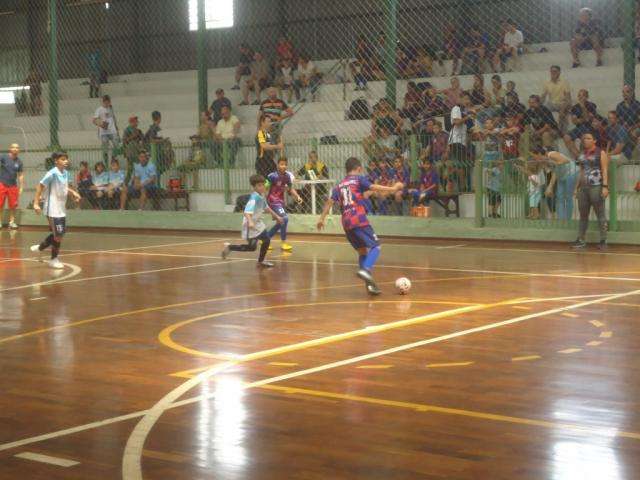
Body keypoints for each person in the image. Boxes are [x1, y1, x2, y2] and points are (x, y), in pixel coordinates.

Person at [316, 157, 404, 295]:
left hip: (346, 222)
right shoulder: (358, 179)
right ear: (358, 168)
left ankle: (370, 286)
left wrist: (322, 219)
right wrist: (393, 188)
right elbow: (374, 187)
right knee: (376, 246)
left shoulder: (339, 185)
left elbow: (329, 202)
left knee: (362, 251)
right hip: (358, 219)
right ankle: (365, 269)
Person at [30, 152, 81, 269]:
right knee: (58, 235)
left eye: (66, 159)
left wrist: (73, 193)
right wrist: (36, 203)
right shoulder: (51, 173)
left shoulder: (66, 173)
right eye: (63, 159)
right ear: (56, 161)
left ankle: (40, 248)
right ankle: (53, 259)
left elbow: (64, 187)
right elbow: (40, 186)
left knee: (58, 234)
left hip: (61, 208)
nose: (66, 161)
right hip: (52, 208)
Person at [221, 174, 284, 268]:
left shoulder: (261, 196)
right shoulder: (253, 198)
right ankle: (230, 247)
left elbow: (266, 208)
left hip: (258, 223)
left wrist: (277, 216)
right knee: (252, 247)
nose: (262, 187)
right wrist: (250, 221)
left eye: (263, 184)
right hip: (250, 225)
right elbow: (246, 212)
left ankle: (261, 261)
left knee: (266, 240)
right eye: (259, 185)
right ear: (254, 187)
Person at [572, 132, 609, 250]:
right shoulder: (582, 154)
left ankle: (603, 240)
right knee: (583, 214)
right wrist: (576, 188)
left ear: (594, 141)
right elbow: (581, 171)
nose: (586, 140)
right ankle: (581, 239)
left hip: (596, 187)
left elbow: (604, 170)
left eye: (589, 138)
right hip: (583, 188)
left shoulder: (600, 152)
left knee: (600, 214)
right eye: (584, 139)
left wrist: (605, 186)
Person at [266, 157, 302, 251]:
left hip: (281, 202)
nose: (283, 166)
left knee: (281, 221)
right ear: (277, 165)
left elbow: (290, 189)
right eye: (281, 164)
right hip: (273, 201)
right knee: (284, 218)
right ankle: (283, 243)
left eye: (285, 164)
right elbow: (265, 189)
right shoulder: (272, 176)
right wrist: (264, 203)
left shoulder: (287, 176)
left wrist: (297, 197)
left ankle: (266, 238)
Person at [540, 149, 579, 222]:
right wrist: (550, 187)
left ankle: (567, 220)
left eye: (536, 156)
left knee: (568, 197)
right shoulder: (546, 161)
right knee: (559, 196)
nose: (537, 159)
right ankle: (561, 219)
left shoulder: (551, 154)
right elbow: (555, 173)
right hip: (562, 175)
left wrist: (555, 163)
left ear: (540, 154)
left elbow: (565, 161)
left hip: (571, 173)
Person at [563, 89, 598, 157]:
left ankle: (583, 157)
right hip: (579, 127)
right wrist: (583, 119)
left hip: (589, 127)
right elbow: (574, 122)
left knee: (584, 139)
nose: (580, 97)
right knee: (566, 137)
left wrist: (583, 107)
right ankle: (579, 157)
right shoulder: (575, 107)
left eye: (583, 96)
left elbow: (588, 120)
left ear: (587, 97)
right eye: (579, 96)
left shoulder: (592, 105)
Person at [541, 66, 572, 133]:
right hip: (551, 103)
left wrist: (563, 108)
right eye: (551, 71)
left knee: (563, 112)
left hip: (562, 103)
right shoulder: (546, 82)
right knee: (542, 110)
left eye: (555, 71)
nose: (553, 73)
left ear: (559, 72)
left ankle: (562, 131)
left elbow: (568, 98)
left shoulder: (564, 82)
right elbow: (543, 96)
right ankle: (549, 128)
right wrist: (539, 104)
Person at [0, 143, 24, 229]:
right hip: (2, 184)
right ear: (10, 149)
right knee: (0, 204)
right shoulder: (3, 157)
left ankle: (12, 222)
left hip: (13, 186)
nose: (15, 149)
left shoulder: (19, 162)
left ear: (19, 150)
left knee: (13, 205)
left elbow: (20, 175)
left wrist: (21, 187)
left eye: (17, 148)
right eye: (13, 147)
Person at [93, 95, 119, 163]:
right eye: (106, 102)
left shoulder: (111, 108)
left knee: (116, 145)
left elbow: (113, 117)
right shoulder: (99, 109)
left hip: (112, 130)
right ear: (103, 102)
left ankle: (113, 159)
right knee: (105, 148)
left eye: (108, 102)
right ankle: (106, 162)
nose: (107, 103)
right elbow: (94, 120)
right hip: (104, 132)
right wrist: (101, 124)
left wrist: (116, 127)